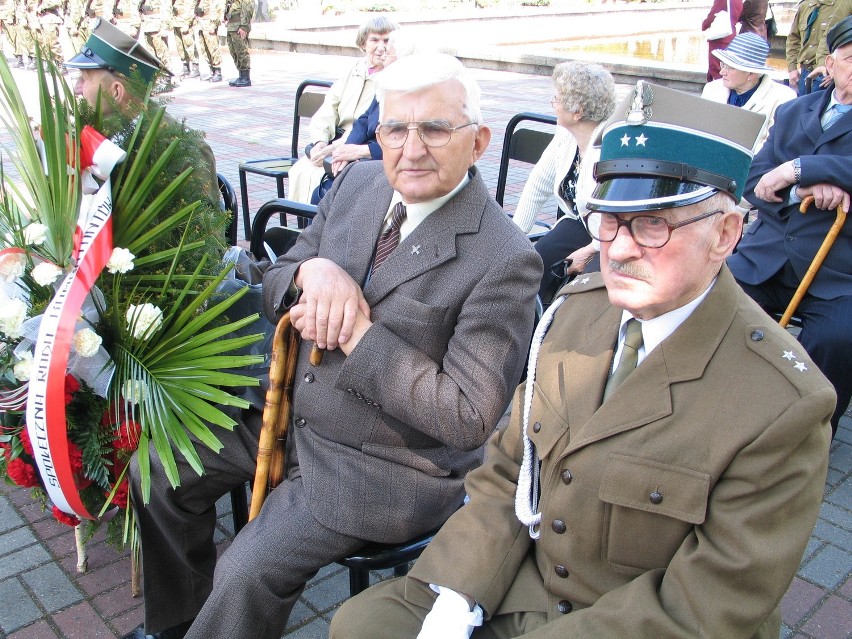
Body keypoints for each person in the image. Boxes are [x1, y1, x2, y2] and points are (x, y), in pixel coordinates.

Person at [329, 80, 834, 639]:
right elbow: (506, 472)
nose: (617, 248)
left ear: (726, 234)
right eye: (611, 220)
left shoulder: (783, 402)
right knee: (362, 625)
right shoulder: (574, 313)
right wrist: (458, 599)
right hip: (523, 584)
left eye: (653, 224)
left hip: (637, 623)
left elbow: (709, 604)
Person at [122, 52, 542, 639]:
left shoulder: (504, 258)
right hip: (285, 414)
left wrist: (357, 333)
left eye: (436, 128)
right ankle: (178, 624)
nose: (410, 148)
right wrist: (310, 273)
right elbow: (274, 276)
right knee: (157, 471)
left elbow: (468, 416)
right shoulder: (358, 182)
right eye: (395, 127)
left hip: (377, 464)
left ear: (479, 142)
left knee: (246, 568)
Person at [729, 15, 852, 438]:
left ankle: (806, 437)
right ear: (830, 64)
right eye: (851, 58)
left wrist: (799, 168)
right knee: (712, 304)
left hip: (837, 271)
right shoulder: (793, 110)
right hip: (767, 254)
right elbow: (750, 178)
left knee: (839, 338)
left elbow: (780, 172)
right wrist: (802, 191)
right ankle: (713, 408)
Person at [511, 60, 615, 303]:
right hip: (581, 222)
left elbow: (610, 217)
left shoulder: (607, 147)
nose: (553, 105)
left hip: (610, 236)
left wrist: (590, 251)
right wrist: (514, 238)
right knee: (535, 263)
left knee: (581, 289)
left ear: (577, 112)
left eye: (557, 99)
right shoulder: (565, 136)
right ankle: (532, 324)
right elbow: (538, 185)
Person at [287, 15, 398, 203]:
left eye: (386, 40)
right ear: (363, 43)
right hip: (339, 141)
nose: (381, 47)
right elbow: (328, 108)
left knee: (320, 179)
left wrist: (337, 149)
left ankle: (317, 226)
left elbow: (366, 128)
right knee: (300, 171)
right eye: (375, 40)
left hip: (357, 146)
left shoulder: (390, 79)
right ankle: (303, 228)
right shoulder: (353, 71)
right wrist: (320, 142)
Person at [309, 27, 419, 205]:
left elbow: (406, 142)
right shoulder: (387, 84)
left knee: (332, 194)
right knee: (323, 192)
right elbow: (363, 120)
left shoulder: (413, 94)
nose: (383, 57)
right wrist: (347, 149)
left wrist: (361, 151)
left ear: (403, 60)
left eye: (388, 54)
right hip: (365, 158)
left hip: (386, 164)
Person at [702, 32, 796, 152]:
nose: (722, 72)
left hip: (753, 167)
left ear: (751, 74)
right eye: (723, 65)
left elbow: (772, 148)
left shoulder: (783, 98)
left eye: (730, 67)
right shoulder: (712, 89)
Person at [786, 0, 851, 94]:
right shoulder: (805, 5)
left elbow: (837, 42)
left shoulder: (844, 5)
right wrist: (792, 67)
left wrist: (835, 72)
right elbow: (793, 38)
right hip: (805, 73)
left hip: (825, 76)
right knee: (802, 106)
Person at [701, 0, 743, 81]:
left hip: (719, 38)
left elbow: (713, 14)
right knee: (726, 69)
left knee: (717, 70)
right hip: (731, 35)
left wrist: (704, 25)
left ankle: (717, 92)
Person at [223, 0, 252, 87]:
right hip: (232, 25)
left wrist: (244, 26)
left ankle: (245, 77)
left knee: (241, 51)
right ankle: (241, 75)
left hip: (239, 26)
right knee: (234, 51)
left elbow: (248, 8)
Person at [195, 0, 222, 81]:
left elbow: (217, 8)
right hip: (201, 23)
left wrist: (213, 25)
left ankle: (217, 71)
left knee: (213, 48)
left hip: (209, 23)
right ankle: (212, 70)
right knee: (204, 49)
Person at [172, 0, 198, 78]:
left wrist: (187, 23)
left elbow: (191, 8)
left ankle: (195, 68)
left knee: (189, 45)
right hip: (176, 22)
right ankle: (186, 67)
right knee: (180, 46)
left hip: (185, 22)